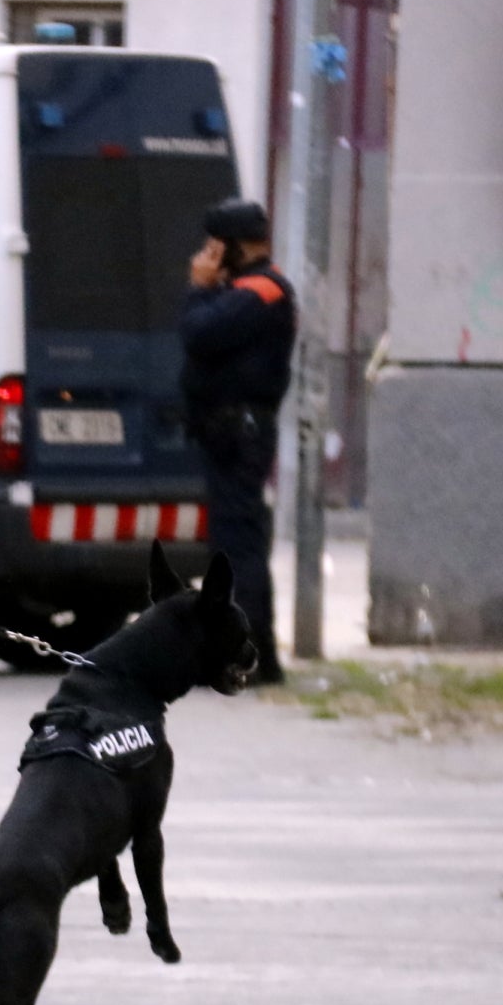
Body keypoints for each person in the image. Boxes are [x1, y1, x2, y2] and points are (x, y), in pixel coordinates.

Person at [179, 197, 296, 686]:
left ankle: (249, 656)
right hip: (229, 431)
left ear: (234, 246)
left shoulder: (261, 291)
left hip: (239, 432)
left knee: (237, 548)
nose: (206, 255)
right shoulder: (246, 290)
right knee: (234, 544)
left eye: (214, 246)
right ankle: (253, 655)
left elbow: (199, 333)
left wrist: (199, 291)